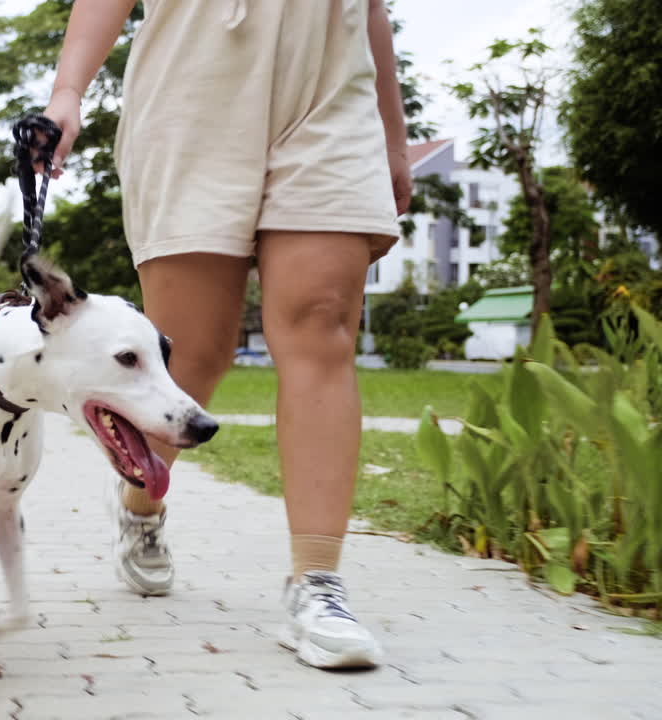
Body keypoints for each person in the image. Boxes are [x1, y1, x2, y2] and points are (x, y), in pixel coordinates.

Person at [42, 0, 412, 669]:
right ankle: (140, 502)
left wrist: (392, 136)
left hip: (330, 95)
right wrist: (68, 92)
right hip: (195, 93)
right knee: (193, 353)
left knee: (323, 323)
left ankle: (317, 582)